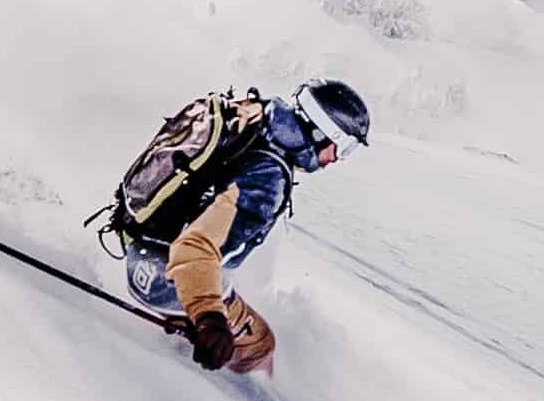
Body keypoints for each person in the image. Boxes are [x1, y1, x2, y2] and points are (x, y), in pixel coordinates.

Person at [116, 79, 369, 373]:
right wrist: (210, 318)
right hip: (164, 278)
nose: (337, 159)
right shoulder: (267, 177)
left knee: (239, 318)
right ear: (320, 131)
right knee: (260, 345)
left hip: (141, 242)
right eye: (344, 147)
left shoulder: (254, 119)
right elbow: (194, 247)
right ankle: (211, 396)